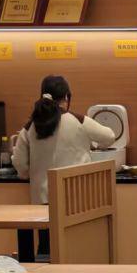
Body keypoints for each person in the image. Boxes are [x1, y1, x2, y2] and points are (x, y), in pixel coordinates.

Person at [12, 75, 116, 206]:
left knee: (46, 221)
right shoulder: (79, 120)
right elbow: (110, 137)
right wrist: (95, 145)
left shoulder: (29, 127)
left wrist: (27, 173)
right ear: (66, 97)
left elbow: (20, 164)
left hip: (43, 200)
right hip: (78, 200)